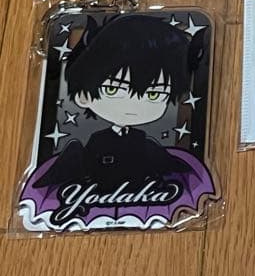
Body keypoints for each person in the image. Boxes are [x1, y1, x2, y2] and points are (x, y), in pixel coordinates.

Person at [20, 13, 216, 228]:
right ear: (83, 96)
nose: (134, 105)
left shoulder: (149, 147)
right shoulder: (88, 147)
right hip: (88, 200)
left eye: (154, 94)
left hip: (145, 198)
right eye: (113, 90)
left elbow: (168, 166)